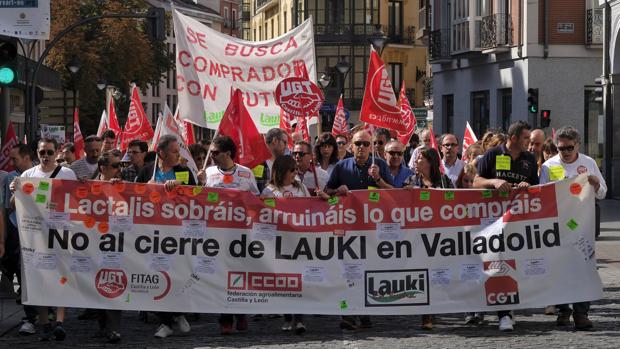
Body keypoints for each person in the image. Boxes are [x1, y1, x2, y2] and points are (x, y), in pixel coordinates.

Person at [325, 129, 393, 330]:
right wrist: (337, 191)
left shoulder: (379, 165)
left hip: (374, 230)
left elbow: (395, 193)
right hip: (349, 230)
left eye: (366, 144)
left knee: (368, 271)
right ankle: (347, 313)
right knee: (348, 272)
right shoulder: (341, 166)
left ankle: (365, 312)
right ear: (350, 146)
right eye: (358, 144)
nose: (362, 147)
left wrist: (379, 179)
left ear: (371, 146)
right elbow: (327, 191)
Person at [474, 120, 538, 332]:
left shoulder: (529, 159)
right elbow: (476, 181)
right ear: (513, 138)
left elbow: (537, 187)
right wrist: (493, 182)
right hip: (492, 221)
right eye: (526, 138)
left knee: (516, 263)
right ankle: (503, 313)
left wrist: (527, 186)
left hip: (518, 220)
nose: (529, 143)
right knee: (498, 262)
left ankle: (509, 308)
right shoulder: (493, 155)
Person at [540, 126, 606, 330]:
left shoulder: (588, 163)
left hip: (583, 223)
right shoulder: (549, 166)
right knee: (559, 266)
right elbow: (541, 196)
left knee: (583, 266)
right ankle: (563, 309)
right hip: (558, 224)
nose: (566, 152)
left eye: (569, 147)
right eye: (561, 148)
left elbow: (602, 192)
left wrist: (595, 184)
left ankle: (581, 312)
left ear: (577, 145)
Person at [11, 138, 77, 341]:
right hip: (35, 236)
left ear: (56, 152)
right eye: (42, 153)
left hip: (61, 233)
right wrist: (15, 191)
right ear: (37, 154)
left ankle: (59, 322)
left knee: (61, 276)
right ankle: (45, 323)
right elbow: (13, 205)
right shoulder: (28, 175)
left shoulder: (67, 173)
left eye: (49, 152)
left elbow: (77, 200)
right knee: (37, 279)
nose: (46, 156)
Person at [135, 135, 194, 338]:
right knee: (154, 277)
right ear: (161, 152)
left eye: (179, 151)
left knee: (176, 276)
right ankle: (171, 318)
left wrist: (179, 185)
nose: (179, 155)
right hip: (151, 234)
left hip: (176, 234)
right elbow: (132, 195)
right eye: (174, 151)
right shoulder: (146, 171)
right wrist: (145, 188)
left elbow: (195, 195)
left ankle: (171, 318)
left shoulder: (184, 172)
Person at [204, 135, 258, 334]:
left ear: (227, 153)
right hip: (217, 233)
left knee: (239, 276)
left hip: (241, 234)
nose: (212, 155)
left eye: (215, 152)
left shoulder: (246, 173)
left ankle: (241, 312)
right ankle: (224, 319)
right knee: (221, 276)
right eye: (211, 152)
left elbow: (256, 200)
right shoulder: (208, 172)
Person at [402, 147, 453, 330]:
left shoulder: (445, 181)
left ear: (430, 161)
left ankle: (436, 308)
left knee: (438, 273)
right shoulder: (410, 180)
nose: (416, 161)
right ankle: (426, 315)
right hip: (417, 235)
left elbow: (455, 200)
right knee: (423, 273)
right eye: (416, 159)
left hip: (440, 235)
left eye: (420, 158)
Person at [1, 144, 37, 336]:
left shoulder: (39, 175)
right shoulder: (10, 178)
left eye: (14, 159)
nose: (11, 163)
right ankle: (30, 315)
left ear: (26, 157)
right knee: (23, 276)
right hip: (18, 233)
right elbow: (8, 209)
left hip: (41, 235)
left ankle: (47, 312)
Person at [93, 150, 124, 343]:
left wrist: (119, 190)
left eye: (120, 165)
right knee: (96, 284)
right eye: (114, 166)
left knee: (114, 283)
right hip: (93, 243)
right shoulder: (89, 184)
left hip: (116, 244)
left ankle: (113, 328)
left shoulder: (124, 186)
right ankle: (103, 324)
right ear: (103, 168)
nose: (118, 169)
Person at [255, 128, 288, 193]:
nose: (286, 146)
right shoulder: (257, 164)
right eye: (284, 142)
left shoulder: (286, 164)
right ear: (275, 141)